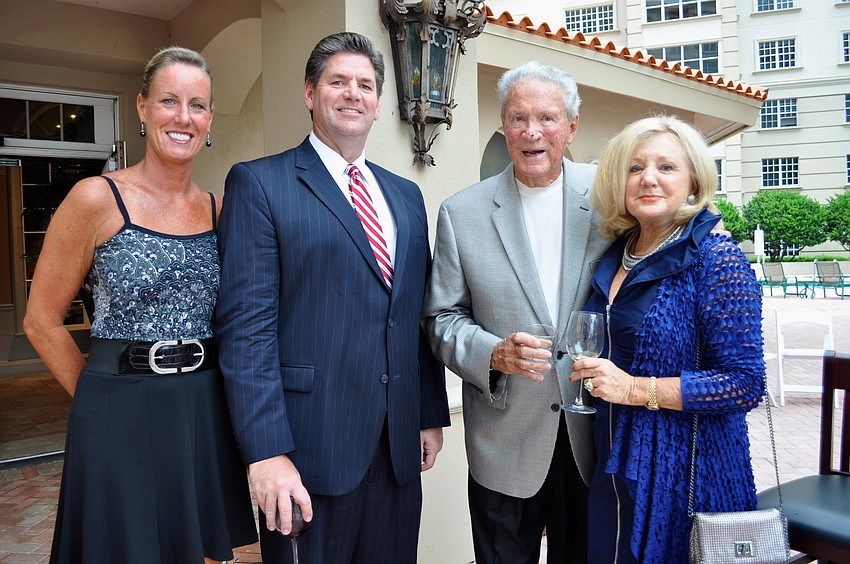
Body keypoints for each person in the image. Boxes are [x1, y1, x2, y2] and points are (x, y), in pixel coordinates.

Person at [215, 32, 450, 564]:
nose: (352, 94)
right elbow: (246, 332)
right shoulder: (260, 184)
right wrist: (266, 453)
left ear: (378, 101)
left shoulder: (406, 195)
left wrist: (427, 412)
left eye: (365, 85)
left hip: (395, 452)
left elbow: (414, 313)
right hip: (306, 452)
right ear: (309, 93)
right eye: (337, 81)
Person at [23, 46, 258, 563]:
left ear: (210, 118)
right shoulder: (95, 198)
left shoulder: (222, 211)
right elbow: (40, 321)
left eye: (197, 105)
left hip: (202, 409)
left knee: (201, 553)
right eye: (169, 101)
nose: (183, 117)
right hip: (117, 407)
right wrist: (95, 397)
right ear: (142, 107)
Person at [422, 61, 610, 564]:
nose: (532, 132)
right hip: (503, 443)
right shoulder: (462, 213)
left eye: (547, 118)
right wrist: (493, 353)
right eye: (517, 118)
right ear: (503, 126)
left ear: (571, 127)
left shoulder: (611, 197)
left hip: (593, 437)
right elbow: (440, 319)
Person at [569, 115, 765, 563]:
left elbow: (744, 383)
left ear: (694, 180)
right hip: (613, 458)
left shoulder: (717, 259)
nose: (648, 179)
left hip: (685, 471)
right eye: (635, 168)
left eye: (666, 167)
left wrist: (635, 389)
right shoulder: (614, 254)